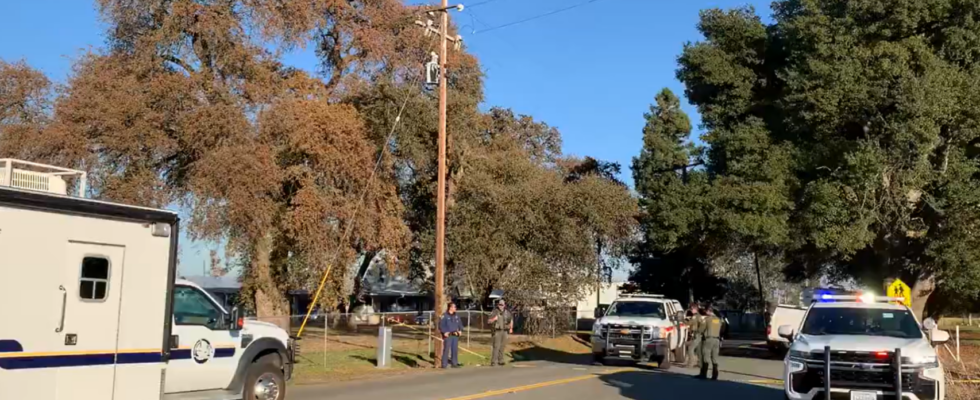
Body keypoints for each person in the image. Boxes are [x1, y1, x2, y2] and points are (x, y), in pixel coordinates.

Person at [698, 306, 724, 380]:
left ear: (708, 311)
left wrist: (699, 332)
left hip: (708, 339)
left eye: (706, 311)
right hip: (717, 340)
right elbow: (722, 329)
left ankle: (704, 374)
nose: (705, 313)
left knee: (705, 357)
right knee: (715, 358)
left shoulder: (707, 319)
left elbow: (701, 329)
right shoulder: (719, 320)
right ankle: (715, 375)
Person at [488, 299, 513, 366]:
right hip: (497, 331)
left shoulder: (507, 312)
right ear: (498, 305)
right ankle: (493, 361)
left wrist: (511, 328)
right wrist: (494, 319)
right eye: (499, 304)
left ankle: (501, 360)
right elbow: (489, 321)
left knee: (502, 346)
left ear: (504, 305)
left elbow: (511, 320)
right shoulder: (494, 312)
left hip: (505, 331)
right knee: (496, 346)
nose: (501, 306)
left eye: (502, 305)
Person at [439, 302, 463, 368]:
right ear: (450, 307)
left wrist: (460, 330)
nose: (455, 308)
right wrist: (444, 332)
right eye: (454, 307)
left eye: (455, 307)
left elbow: (460, 324)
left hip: (455, 334)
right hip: (448, 334)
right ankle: (444, 364)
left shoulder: (456, 315)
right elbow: (441, 325)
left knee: (454, 349)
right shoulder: (444, 316)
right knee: (446, 349)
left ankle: (454, 363)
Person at [684, 302, 703, 369]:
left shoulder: (695, 316)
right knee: (698, 350)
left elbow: (689, 323)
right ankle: (700, 364)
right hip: (699, 334)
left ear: (695, 309)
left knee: (690, 349)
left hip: (696, 334)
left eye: (692, 309)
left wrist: (683, 320)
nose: (691, 310)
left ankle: (690, 364)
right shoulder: (699, 316)